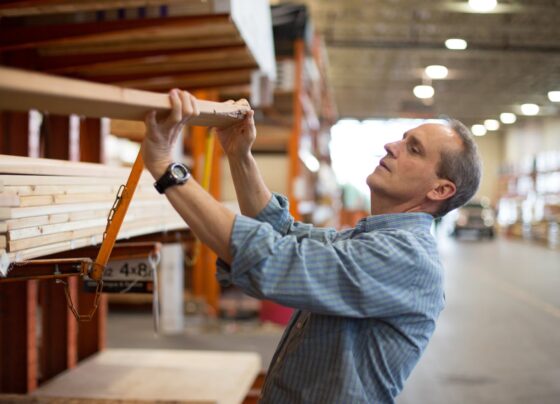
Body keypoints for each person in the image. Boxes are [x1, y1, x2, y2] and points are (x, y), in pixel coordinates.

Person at [142, 89, 482, 404]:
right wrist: (239, 154)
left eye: (414, 149)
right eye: (404, 138)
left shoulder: (407, 259)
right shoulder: (369, 239)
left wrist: (165, 167)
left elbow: (273, 259)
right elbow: (282, 232)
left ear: (440, 190)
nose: (393, 145)